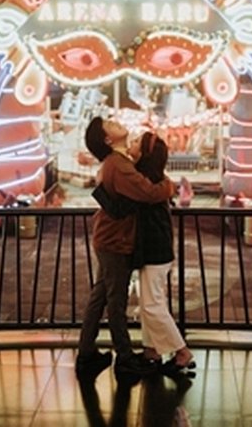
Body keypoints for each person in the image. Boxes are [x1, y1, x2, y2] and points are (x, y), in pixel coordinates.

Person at [77, 117, 175, 378]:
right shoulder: (119, 165)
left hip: (109, 239)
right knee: (115, 300)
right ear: (108, 139)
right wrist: (170, 186)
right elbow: (149, 192)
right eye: (109, 124)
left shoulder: (115, 163)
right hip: (115, 242)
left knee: (100, 297)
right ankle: (125, 358)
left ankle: (86, 354)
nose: (115, 121)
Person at [129, 132, 197, 374]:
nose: (132, 143)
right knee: (150, 301)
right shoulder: (154, 178)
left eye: (136, 142)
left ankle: (182, 352)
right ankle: (152, 350)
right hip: (155, 248)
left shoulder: (145, 180)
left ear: (146, 153)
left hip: (154, 249)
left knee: (151, 304)